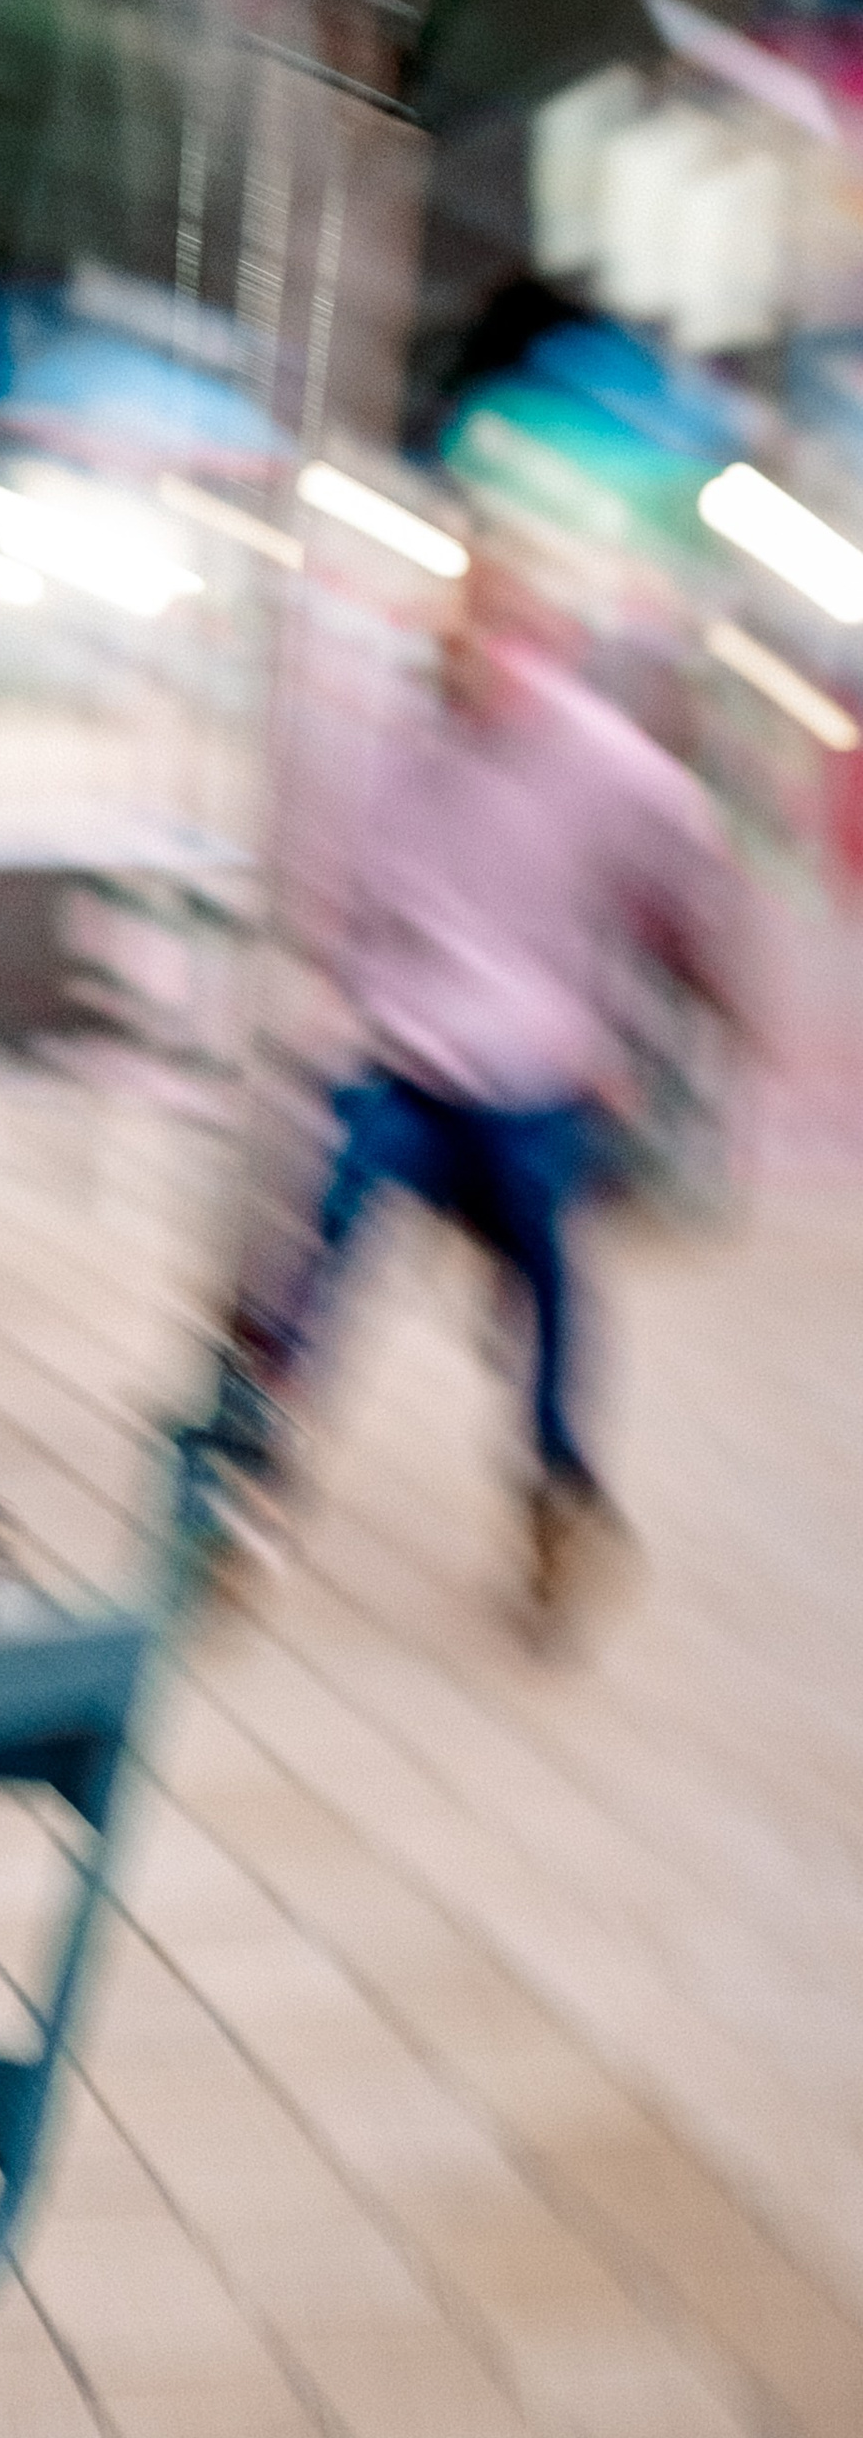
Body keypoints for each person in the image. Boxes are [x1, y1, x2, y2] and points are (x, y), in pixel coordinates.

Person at [203, 544, 745, 1631]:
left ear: (533, 644)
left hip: (533, 1081)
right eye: (447, 639)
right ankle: (250, 1481)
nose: (456, 661)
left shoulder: (607, 763)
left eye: (478, 635)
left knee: (542, 1286)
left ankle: (556, 1487)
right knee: (319, 1250)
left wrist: (688, 1023)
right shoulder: (404, 751)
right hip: (403, 1061)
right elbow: (352, 897)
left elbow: (690, 886)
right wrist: (346, 993)